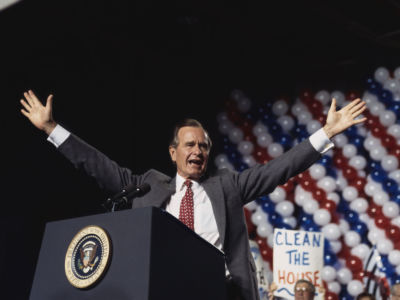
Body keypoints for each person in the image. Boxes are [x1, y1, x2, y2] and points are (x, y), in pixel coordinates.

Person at [20, 89, 367, 300]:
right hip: (162, 289)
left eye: (203, 146)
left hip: (219, 291)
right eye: (189, 145)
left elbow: (279, 169)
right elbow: (97, 166)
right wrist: (52, 128)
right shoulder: (147, 185)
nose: (197, 151)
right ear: (174, 152)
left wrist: (325, 132)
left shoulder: (227, 186)